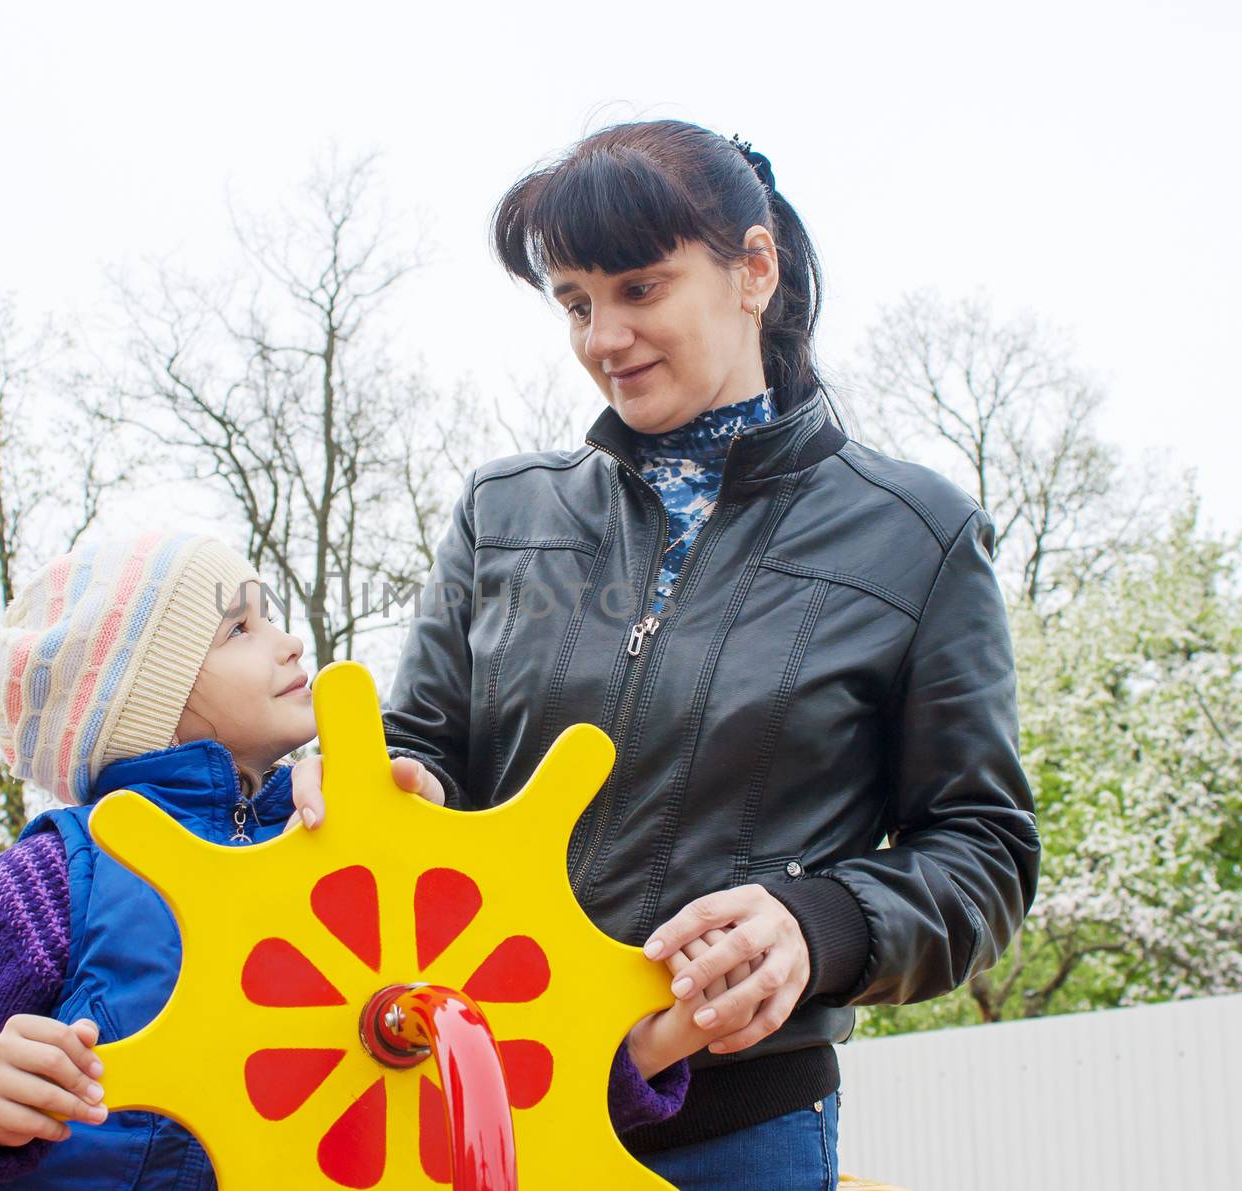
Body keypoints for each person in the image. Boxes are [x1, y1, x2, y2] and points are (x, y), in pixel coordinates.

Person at [292, 120, 1041, 1190]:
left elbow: (982, 848)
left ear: (753, 270)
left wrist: (818, 921)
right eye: (574, 301)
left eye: (640, 289)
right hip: (466, 1113)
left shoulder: (914, 536)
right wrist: (372, 786)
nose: (603, 336)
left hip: (734, 1133)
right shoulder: (504, 513)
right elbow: (419, 749)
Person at [0, 530, 695, 1191]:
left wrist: (641, 1047)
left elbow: (459, 1057)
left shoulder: (333, 836)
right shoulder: (57, 877)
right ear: (147, 696)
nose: (291, 643)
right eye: (241, 628)